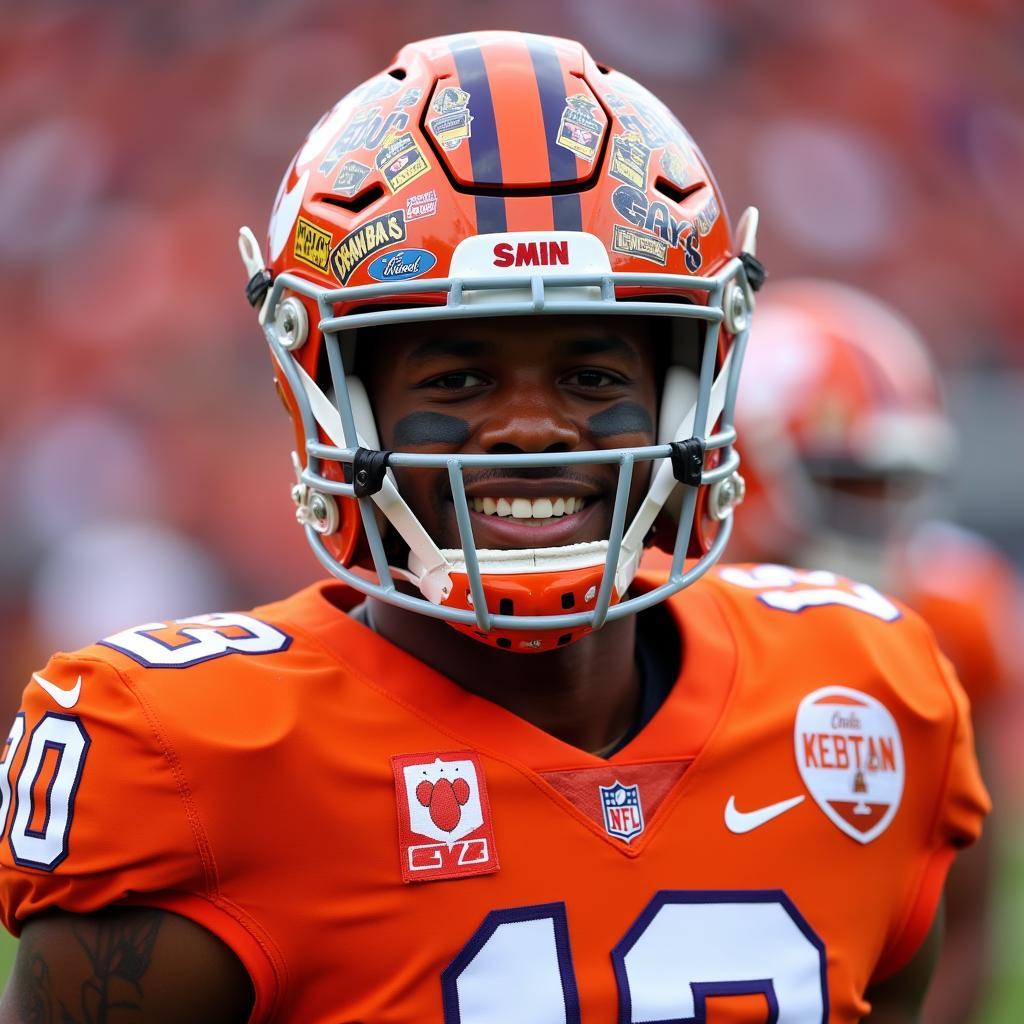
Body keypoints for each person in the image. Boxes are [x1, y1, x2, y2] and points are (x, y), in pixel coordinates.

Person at [0, 32, 988, 1023]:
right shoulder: (186, 765)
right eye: (457, 377)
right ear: (334, 402)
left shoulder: (860, 692)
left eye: (592, 376)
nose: (530, 429)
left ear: (691, 389)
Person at [727, 278, 1021, 1024]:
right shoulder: (636, 635)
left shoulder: (935, 635)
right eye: (845, 482)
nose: (877, 519)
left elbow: (965, 920)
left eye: (889, 487)